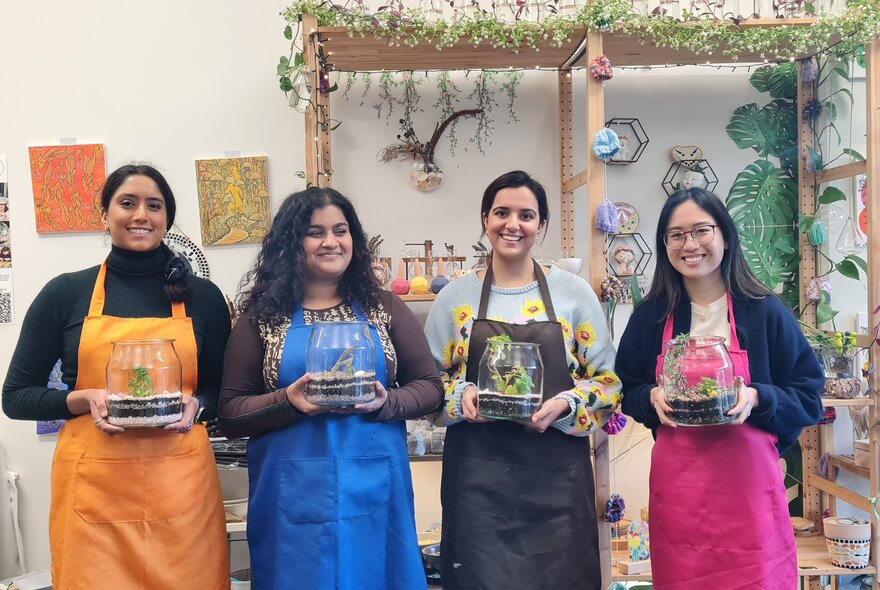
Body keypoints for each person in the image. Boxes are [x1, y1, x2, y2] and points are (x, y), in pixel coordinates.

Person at [2, 164, 232, 589]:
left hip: (180, 486)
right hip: (94, 491)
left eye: (154, 205)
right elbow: (15, 397)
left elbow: (224, 391)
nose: (140, 214)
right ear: (104, 215)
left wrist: (200, 404)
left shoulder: (203, 297)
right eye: (127, 203)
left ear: (167, 218)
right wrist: (79, 399)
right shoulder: (65, 293)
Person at [218, 187, 443, 590]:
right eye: (314, 231)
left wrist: (385, 402)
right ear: (292, 243)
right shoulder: (262, 319)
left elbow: (429, 387)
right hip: (289, 495)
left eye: (340, 230)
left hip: (376, 488)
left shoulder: (384, 308)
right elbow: (231, 413)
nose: (330, 241)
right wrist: (287, 401)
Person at [616, 187, 823, 589]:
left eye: (701, 231)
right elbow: (626, 387)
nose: (689, 244)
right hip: (680, 498)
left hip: (748, 498)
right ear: (665, 245)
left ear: (725, 236)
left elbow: (808, 394)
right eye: (676, 235)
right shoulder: (651, 317)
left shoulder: (764, 311)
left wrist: (757, 398)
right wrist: (649, 397)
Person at [424, 170, 621, 589]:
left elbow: (607, 384)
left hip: (557, 486)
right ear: (485, 219)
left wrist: (567, 406)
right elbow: (423, 385)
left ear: (541, 226)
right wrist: (460, 399)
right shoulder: (453, 299)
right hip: (478, 490)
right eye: (502, 212)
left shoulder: (573, 293)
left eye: (526, 215)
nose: (513, 224)